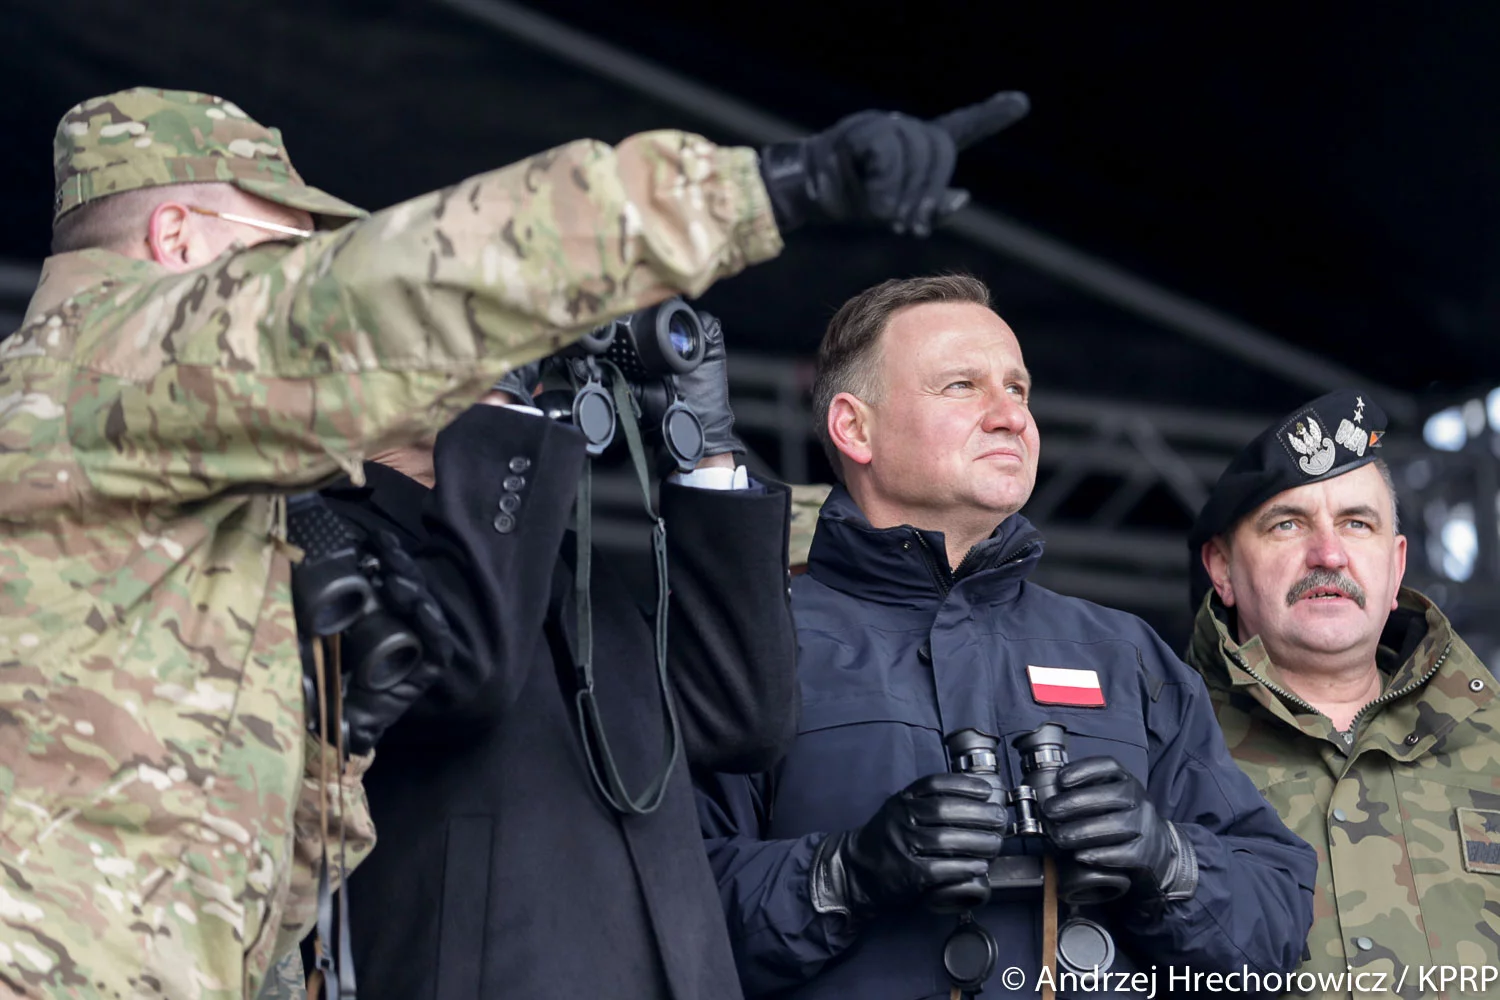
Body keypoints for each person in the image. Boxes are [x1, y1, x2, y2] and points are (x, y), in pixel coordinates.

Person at [0, 84, 1031, 999]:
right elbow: (411, 291)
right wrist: (770, 189)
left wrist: (702, 447)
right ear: (178, 239)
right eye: (285, 262)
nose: (345, 338)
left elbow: (735, 717)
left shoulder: (213, 516)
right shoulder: (143, 403)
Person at [698, 274, 1317, 999]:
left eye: (1019, 390)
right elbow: (652, 912)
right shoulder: (752, 643)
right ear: (853, 427)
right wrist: (844, 875)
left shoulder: (1123, 653)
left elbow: (1276, 922)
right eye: (963, 386)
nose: (1010, 416)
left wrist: (1168, 860)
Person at [318, 304, 796, 998]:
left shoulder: (565, 564)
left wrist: (709, 452)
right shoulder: (328, 539)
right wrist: (496, 411)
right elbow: (462, 679)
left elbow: (742, 719)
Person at [1185, 390, 1500, 993]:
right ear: (1222, 568)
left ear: (1396, 565)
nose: (1328, 553)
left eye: (1357, 523)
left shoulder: (1490, 735)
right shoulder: (1160, 742)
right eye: (1288, 524)